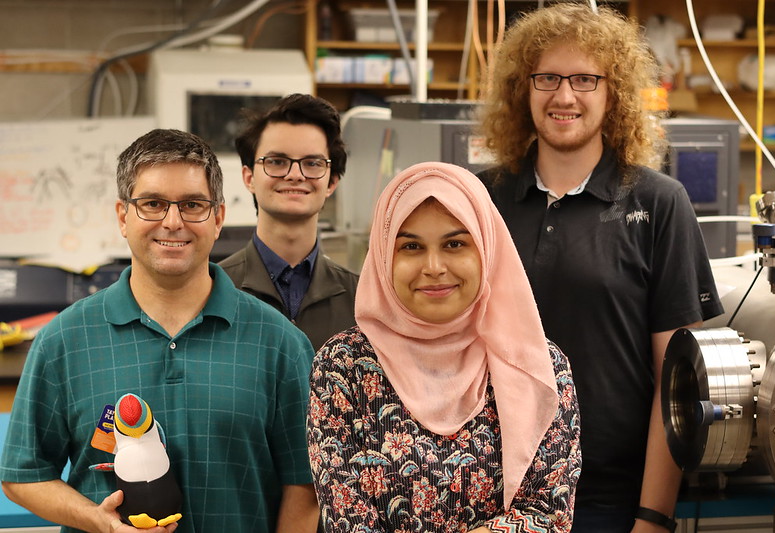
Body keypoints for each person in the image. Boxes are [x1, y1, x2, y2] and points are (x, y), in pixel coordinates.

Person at [478, 4, 724, 533]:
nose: (564, 96)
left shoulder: (659, 204)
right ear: (524, 89)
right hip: (484, 491)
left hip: (607, 500)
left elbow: (675, 379)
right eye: (547, 78)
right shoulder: (480, 199)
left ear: (613, 93)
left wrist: (653, 516)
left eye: (586, 79)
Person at [0, 129, 319, 533]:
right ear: (122, 216)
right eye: (152, 204)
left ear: (218, 218)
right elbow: (22, 475)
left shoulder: (281, 345)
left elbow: (305, 487)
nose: (173, 222)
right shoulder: (63, 340)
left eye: (192, 205)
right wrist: (97, 521)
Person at [307, 162, 581, 532]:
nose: (434, 266)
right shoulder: (343, 366)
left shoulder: (538, 364)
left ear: (486, 247)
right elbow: (349, 521)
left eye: (455, 244)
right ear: (385, 255)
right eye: (411, 246)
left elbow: (549, 514)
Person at [219, 93, 358, 352]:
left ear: (332, 182)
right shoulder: (213, 290)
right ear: (248, 177)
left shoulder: (361, 300)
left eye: (312, 163)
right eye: (277, 162)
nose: (295, 175)